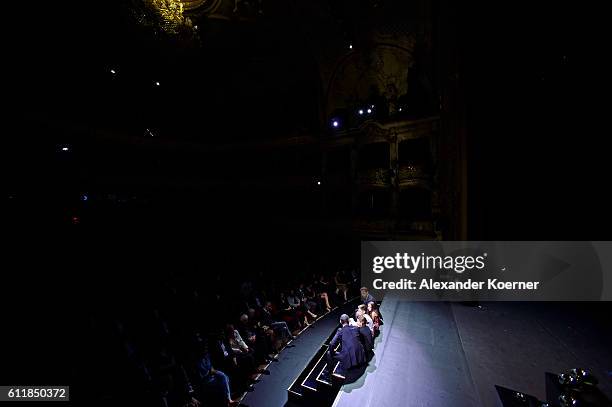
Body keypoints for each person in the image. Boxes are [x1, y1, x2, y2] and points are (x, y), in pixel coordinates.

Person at [325, 314, 366, 378]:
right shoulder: (356, 328)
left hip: (348, 359)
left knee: (329, 354)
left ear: (340, 321)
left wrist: (332, 351)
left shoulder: (340, 331)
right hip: (360, 355)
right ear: (349, 321)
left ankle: (329, 373)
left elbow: (332, 344)